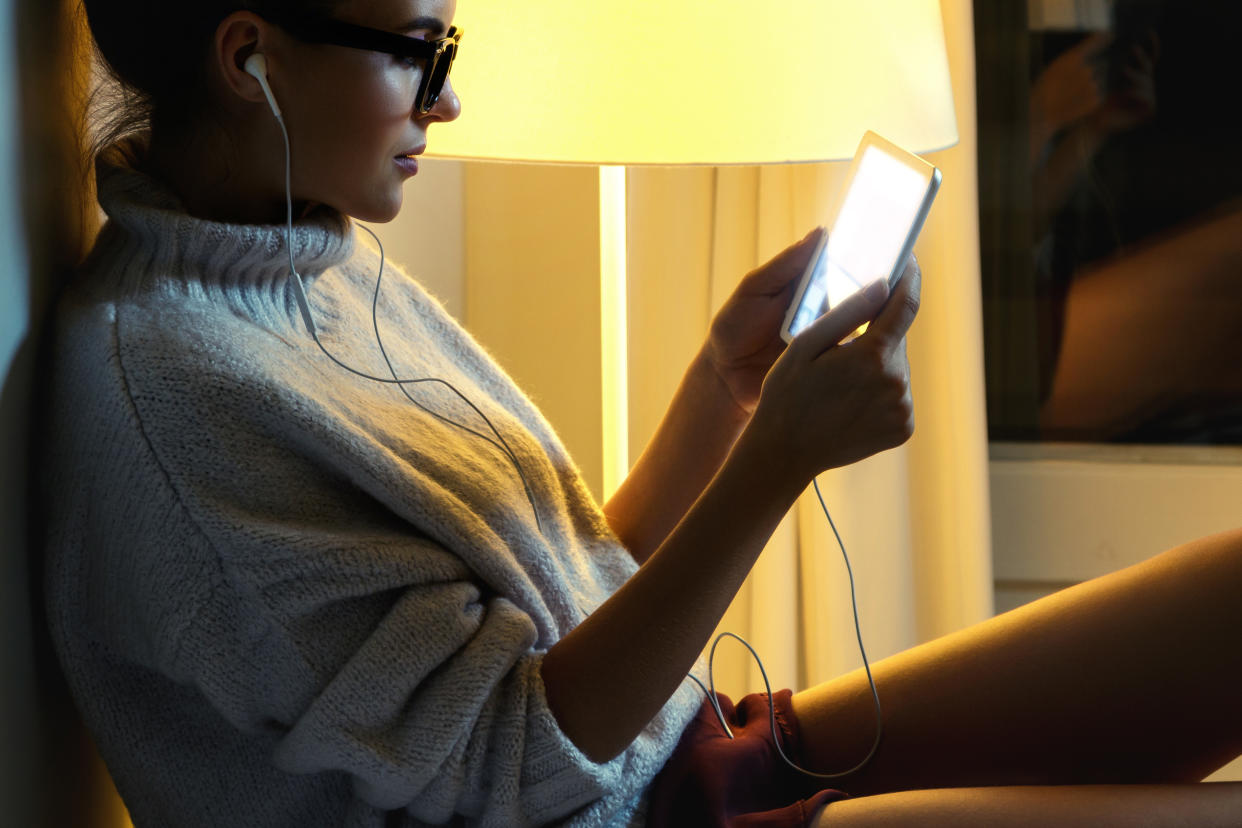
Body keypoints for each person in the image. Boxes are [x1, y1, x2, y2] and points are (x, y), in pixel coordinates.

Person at [43, 0, 1242, 825]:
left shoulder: (307, 255)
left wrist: (723, 394)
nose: (445, 104)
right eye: (421, 49)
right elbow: (515, 765)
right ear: (249, 56)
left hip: (679, 760)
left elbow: (532, 634)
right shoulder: (169, 395)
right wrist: (771, 469)